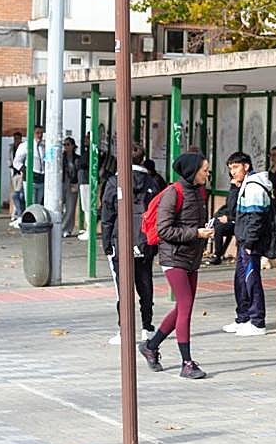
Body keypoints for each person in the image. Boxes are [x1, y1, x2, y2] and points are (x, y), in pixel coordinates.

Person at [138, 152, 213, 379]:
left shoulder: (200, 192)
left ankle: (151, 346)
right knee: (186, 305)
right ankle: (187, 363)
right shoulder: (173, 193)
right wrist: (196, 233)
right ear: (192, 171)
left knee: (183, 306)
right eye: (204, 170)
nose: (207, 173)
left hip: (192, 257)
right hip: (173, 257)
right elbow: (164, 230)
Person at [102, 143, 159, 345]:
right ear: (142, 159)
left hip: (121, 240)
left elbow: (108, 214)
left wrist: (106, 242)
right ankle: (148, 327)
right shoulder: (153, 181)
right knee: (145, 283)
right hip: (145, 240)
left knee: (123, 287)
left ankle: (124, 330)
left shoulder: (114, 182)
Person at [223, 151, 272, 336]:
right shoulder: (244, 186)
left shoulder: (254, 187)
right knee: (241, 280)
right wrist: (234, 188)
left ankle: (258, 321)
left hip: (251, 242)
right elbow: (233, 211)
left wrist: (250, 242)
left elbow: (256, 217)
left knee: (251, 280)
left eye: (235, 167)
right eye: (230, 169)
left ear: (246, 166)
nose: (233, 172)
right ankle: (243, 317)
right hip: (244, 239)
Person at [206, 165, 240, 266]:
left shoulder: (238, 189)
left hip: (237, 220)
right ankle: (218, 254)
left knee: (220, 228)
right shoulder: (233, 189)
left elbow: (233, 206)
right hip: (232, 217)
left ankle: (218, 254)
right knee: (216, 223)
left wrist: (229, 218)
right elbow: (229, 205)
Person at [11, 126, 45, 209]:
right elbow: (16, 162)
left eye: (41, 133)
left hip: (41, 179)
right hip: (31, 178)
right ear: (33, 134)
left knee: (38, 204)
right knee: (31, 203)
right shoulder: (25, 145)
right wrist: (26, 171)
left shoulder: (44, 146)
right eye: (37, 133)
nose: (40, 135)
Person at [61, 137, 80, 238]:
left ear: (73, 146)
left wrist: (76, 182)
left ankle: (67, 229)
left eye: (68, 144)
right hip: (62, 182)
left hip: (72, 183)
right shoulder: (61, 157)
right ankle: (61, 227)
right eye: (64, 145)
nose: (66, 147)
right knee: (60, 207)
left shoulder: (77, 158)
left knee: (70, 207)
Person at [75, 132, 91, 241]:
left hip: (86, 181)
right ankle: (88, 228)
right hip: (83, 181)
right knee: (85, 207)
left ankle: (90, 229)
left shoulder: (91, 152)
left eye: (88, 138)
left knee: (87, 207)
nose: (85, 139)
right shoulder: (86, 151)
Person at [8, 131, 24, 225]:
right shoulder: (11, 147)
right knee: (15, 193)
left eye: (18, 138)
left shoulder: (22, 147)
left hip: (20, 172)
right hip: (14, 172)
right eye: (15, 139)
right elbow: (10, 158)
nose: (16, 140)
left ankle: (17, 213)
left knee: (17, 193)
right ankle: (16, 213)